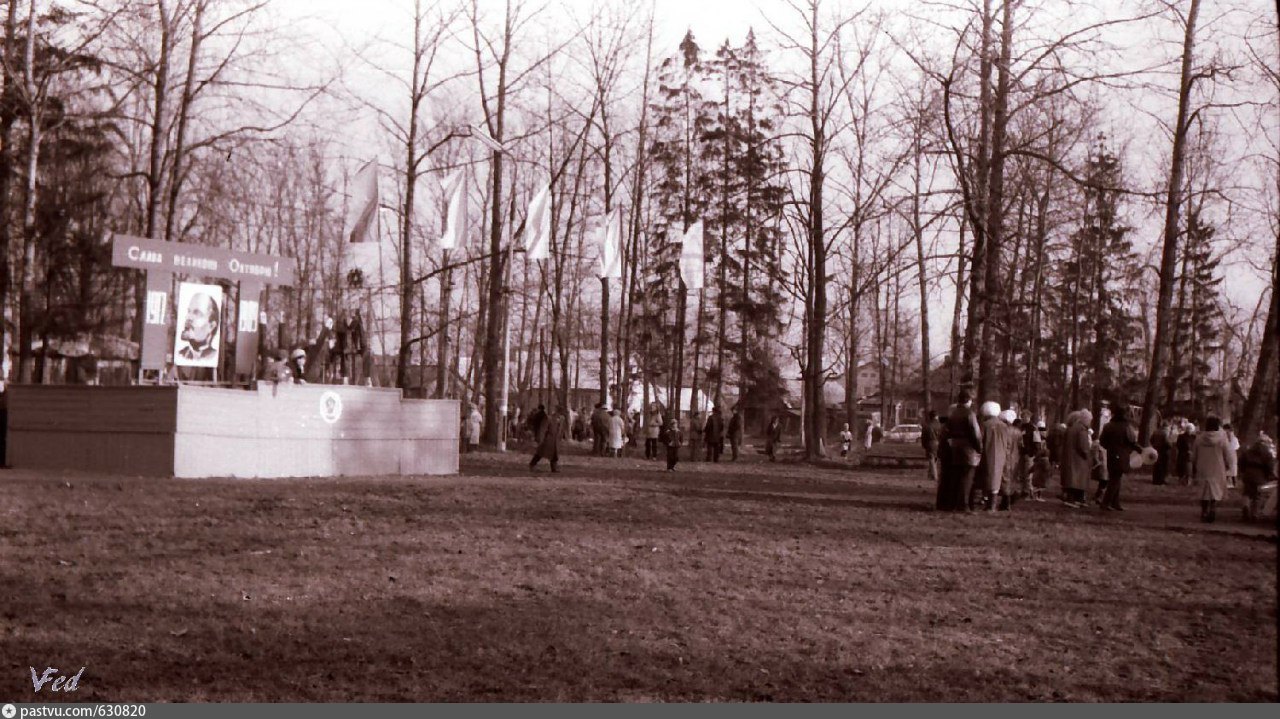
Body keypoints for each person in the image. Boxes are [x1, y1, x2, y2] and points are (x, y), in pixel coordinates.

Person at [943, 389, 983, 512]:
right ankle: (964, 504)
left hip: (955, 447)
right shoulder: (970, 414)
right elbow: (976, 433)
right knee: (967, 477)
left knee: (956, 477)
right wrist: (979, 448)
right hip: (969, 448)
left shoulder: (953, 413)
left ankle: (952, 503)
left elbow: (947, 430)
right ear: (968, 400)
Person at [1191, 416, 1235, 523]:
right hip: (1217, 467)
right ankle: (1212, 509)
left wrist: (1195, 465)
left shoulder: (1199, 438)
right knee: (1215, 490)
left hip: (1202, 466)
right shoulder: (1222, 439)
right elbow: (1228, 454)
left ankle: (1204, 511)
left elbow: (1194, 455)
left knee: (1203, 490)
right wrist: (1229, 466)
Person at [1099, 405, 1143, 511]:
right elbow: (1132, 441)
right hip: (1122, 455)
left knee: (1115, 478)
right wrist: (1140, 450)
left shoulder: (1108, 426)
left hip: (1111, 455)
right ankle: (1106, 502)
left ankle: (1115, 503)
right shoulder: (1126, 426)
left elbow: (1102, 441)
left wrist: (1111, 448)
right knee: (1115, 480)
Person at [976, 402, 1008, 512]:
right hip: (1001, 454)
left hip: (987, 453)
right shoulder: (1004, 426)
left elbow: (979, 440)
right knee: (996, 478)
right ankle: (992, 503)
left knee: (988, 477)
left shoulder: (985, 425)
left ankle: (989, 504)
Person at [1239, 433, 1277, 520]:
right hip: (1260, 474)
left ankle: (1246, 506)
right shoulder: (1267, 453)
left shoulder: (1248, 451)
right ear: (1265, 442)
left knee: (1246, 493)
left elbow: (1241, 462)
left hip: (1248, 473)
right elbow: (1269, 466)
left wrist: (1243, 471)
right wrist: (1270, 475)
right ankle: (1254, 514)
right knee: (1258, 495)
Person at [1059, 410, 1092, 507]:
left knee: (1072, 479)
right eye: (1089, 420)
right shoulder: (1081, 430)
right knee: (1076, 480)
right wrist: (1088, 456)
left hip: (1069, 458)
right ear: (1085, 419)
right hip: (1078, 459)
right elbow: (1083, 446)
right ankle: (1072, 500)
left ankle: (1075, 499)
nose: (1090, 422)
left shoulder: (1071, 429)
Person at [177, 291, 220, 364]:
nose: (188, 317)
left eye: (197, 313)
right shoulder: (180, 355)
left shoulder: (214, 358)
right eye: (189, 311)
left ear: (211, 326)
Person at [529, 406, 563, 472]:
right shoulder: (549, 418)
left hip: (555, 440)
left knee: (554, 454)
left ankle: (554, 467)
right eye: (558, 411)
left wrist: (560, 437)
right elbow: (543, 429)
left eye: (560, 412)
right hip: (548, 439)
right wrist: (540, 438)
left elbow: (560, 430)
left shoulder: (561, 419)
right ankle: (532, 464)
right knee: (541, 452)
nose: (559, 414)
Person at [921, 411, 941, 485]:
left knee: (931, 459)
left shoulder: (927, 425)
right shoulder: (939, 425)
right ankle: (930, 475)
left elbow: (923, 437)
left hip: (930, 443)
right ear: (936, 416)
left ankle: (935, 475)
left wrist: (924, 445)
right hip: (938, 443)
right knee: (935, 459)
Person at [1151, 420, 1173, 486]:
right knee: (1163, 466)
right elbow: (1167, 442)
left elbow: (1151, 439)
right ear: (1166, 427)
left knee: (1156, 465)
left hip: (1156, 450)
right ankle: (1161, 480)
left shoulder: (1156, 431)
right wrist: (1170, 446)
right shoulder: (1165, 433)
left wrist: (1154, 445)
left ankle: (1155, 480)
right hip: (1163, 451)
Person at [1224, 422, 1240, 489]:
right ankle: (1229, 483)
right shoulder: (1226, 437)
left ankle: (1233, 483)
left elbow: (1236, 447)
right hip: (1228, 454)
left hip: (1231, 454)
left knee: (1231, 469)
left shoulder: (1233, 438)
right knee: (1229, 470)